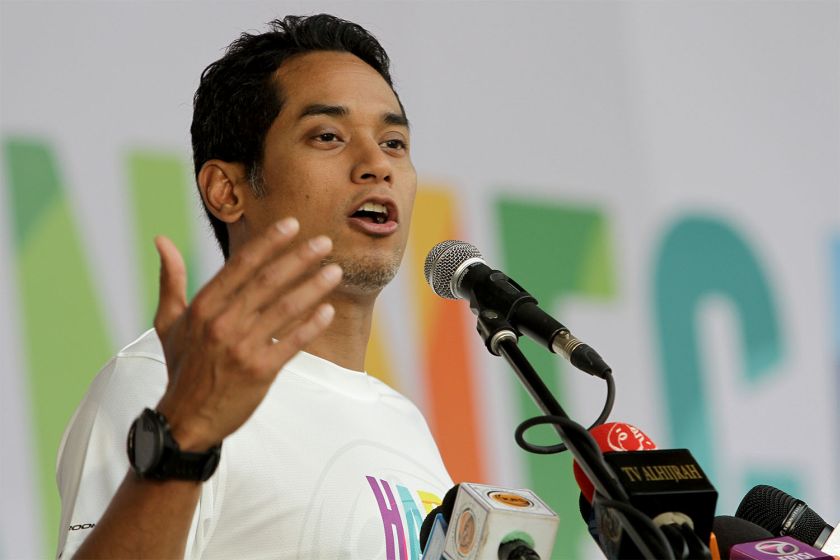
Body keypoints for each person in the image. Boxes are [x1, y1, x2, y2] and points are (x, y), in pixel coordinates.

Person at [56, 14, 452, 559]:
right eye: (328, 136)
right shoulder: (165, 382)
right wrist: (183, 434)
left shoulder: (405, 423)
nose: (377, 165)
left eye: (394, 142)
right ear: (227, 190)